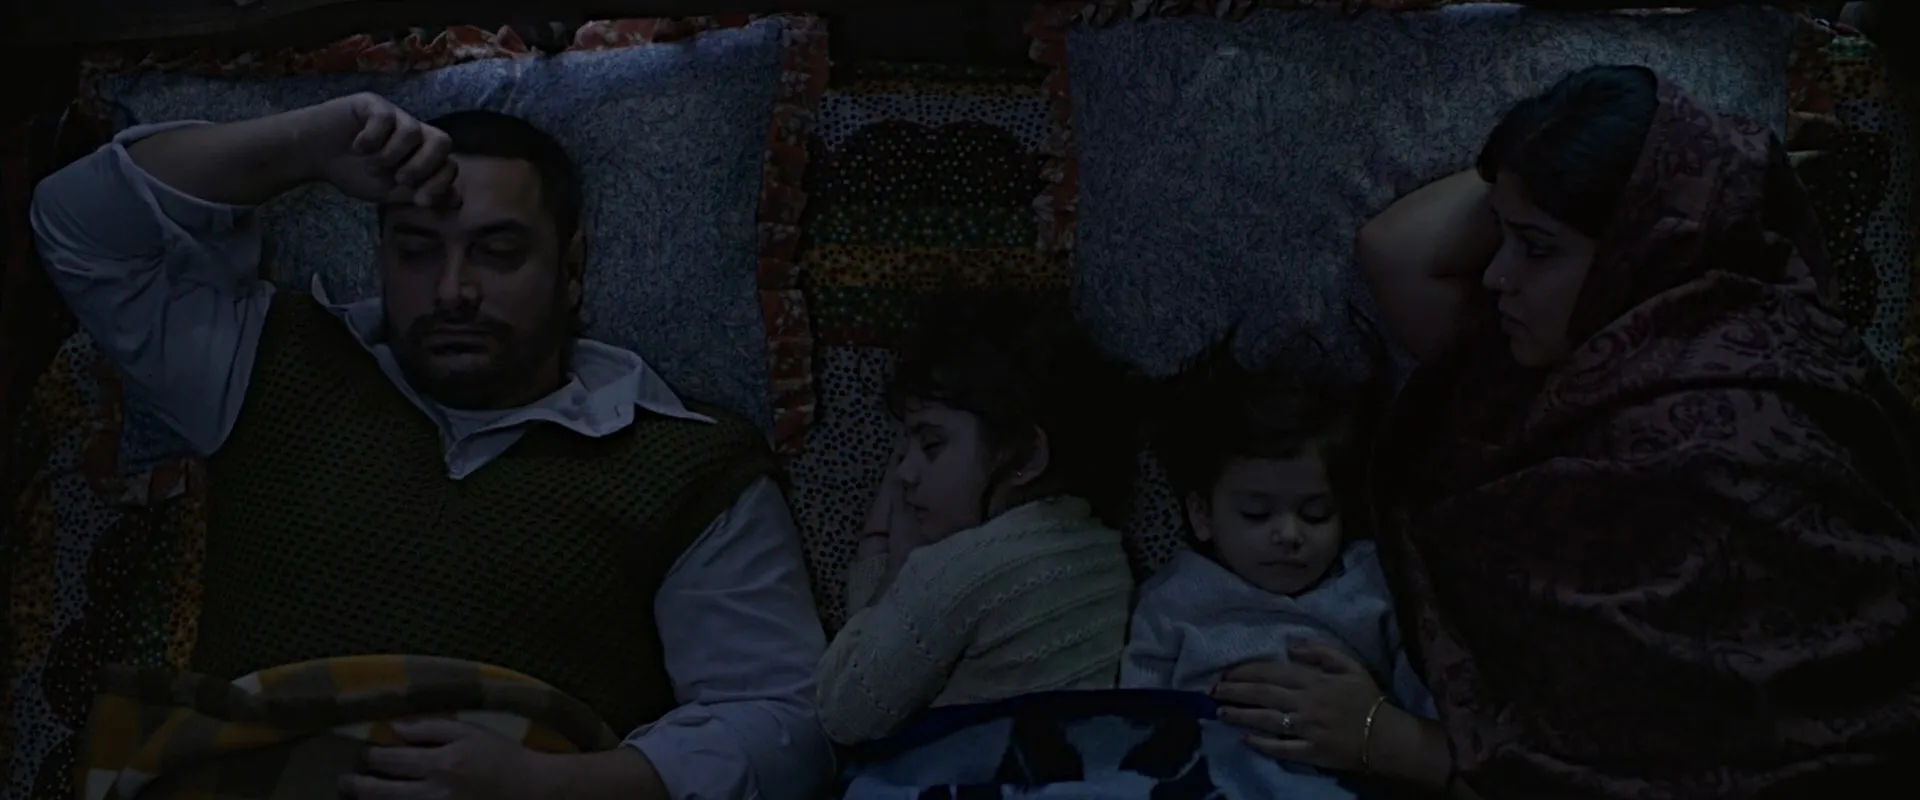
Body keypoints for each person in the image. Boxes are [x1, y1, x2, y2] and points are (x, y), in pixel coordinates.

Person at [30, 92, 832, 799]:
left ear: (572, 268)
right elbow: (78, 225)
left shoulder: (686, 465)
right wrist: (311, 144)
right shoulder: (263, 365)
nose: (453, 290)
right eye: (417, 251)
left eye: (498, 252)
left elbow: (785, 721)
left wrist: (557, 788)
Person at [1286, 64, 1917, 797]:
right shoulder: (1576, 345)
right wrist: (1570, 160)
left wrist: (1391, 742)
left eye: (1536, 246)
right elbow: (1396, 252)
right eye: (1500, 234)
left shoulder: (1715, 439)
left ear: (1643, 243)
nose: (1494, 275)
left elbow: (1686, 769)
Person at [1120, 331, 1437, 798]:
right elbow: (1132, 718)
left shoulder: (1372, 584)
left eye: (1315, 513)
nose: (1289, 534)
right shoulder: (1173, 598)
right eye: (1256, 513)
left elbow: (1426, 698)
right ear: (1202, 515)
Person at [814, 296, 1136, 745]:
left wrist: (895, 569)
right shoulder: (1107, 552)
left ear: (1025, 456)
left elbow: (844, 713)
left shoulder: (955, 569)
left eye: (931, 446)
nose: (903, 473)